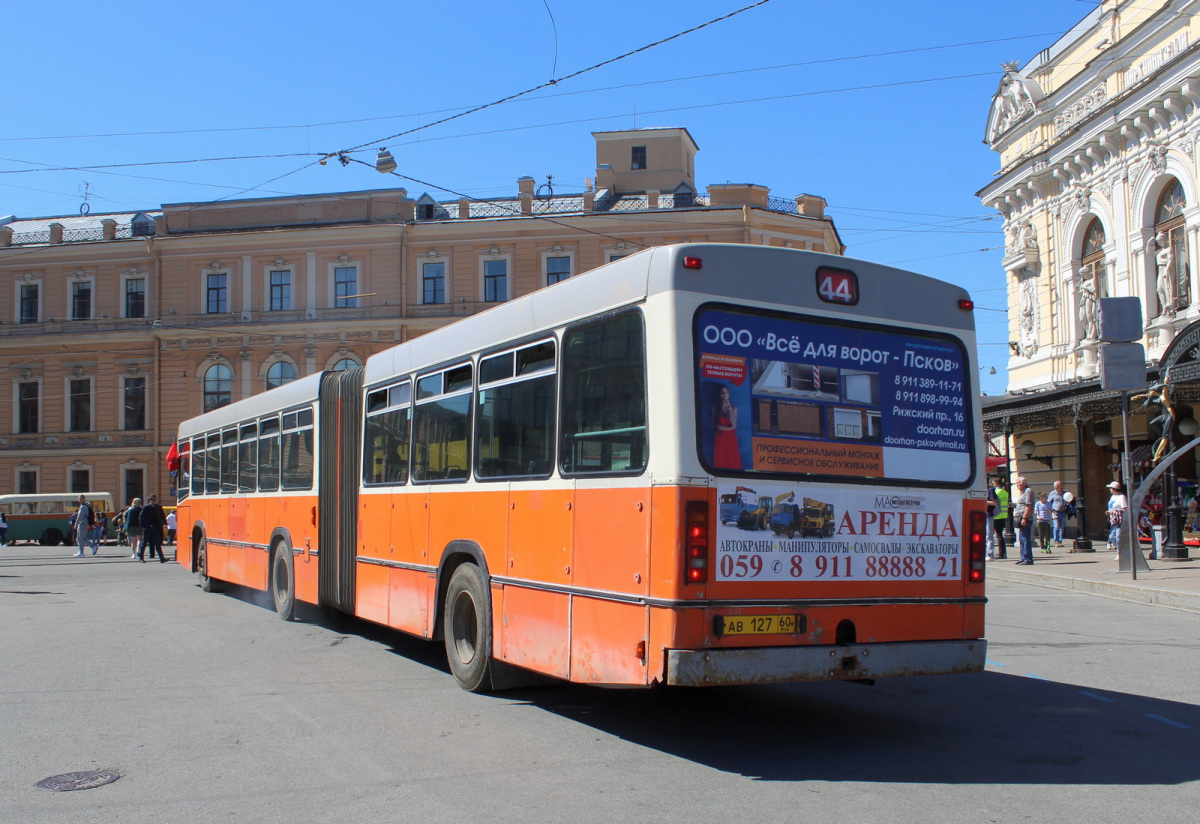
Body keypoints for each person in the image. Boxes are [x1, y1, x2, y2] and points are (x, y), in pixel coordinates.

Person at [711, 383, 741, 469]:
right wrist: (729, 428)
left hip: (731, 439)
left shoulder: (734, 408)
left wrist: (729, 407)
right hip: (720, 439)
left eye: (726, 392)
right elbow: (715, 425)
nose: (724, 395)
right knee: (720, 462)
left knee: (732, 461)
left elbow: (733, 421)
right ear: (719, 395)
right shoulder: (715, 408)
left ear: (729, 394)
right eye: (722, 393)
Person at [1012, 476, 1035, 565]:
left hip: (1025, 518)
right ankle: (1023, 557)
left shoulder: (1028, 491)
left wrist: (1025, 518)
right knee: (1021, 538)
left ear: (1024, 483)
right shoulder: (1022, 492)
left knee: (1025, 538)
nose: (1017, 485)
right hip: (1019, 518)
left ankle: (1028, 558)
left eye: (1018, 483)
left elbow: (1029, 505)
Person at [139, 495, 166, 563]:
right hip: (148, 527)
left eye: (154, 500)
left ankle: (162, 558)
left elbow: (162, 516)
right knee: (144, 543)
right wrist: (143, 526)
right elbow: (141, 518)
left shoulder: (158, 507)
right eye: (152, 500)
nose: (153, 501)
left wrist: (165, 523)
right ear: (149, 501)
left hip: (156, 527)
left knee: (157, 543)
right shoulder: (145, 508)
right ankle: (141, 557)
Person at [988, 476, 1009, 560]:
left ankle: (1001, 553)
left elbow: (995, 503)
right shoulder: (1005, 492)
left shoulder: (996, 491)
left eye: (993, 482)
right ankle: (1003, 552)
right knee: (1000, 534)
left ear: (996, 483)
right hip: (1004, 514)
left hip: (997, 515)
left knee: (998, 535)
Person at [1106, 481, 1128, 555]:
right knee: (1112, 536)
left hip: (1120, 519)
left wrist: (1115, 511)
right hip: (1113, 519)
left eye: (1111, 488)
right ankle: (1120, 549)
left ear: (1114, 489)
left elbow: (1125, 508)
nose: (1110, 490)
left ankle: (1120, 552)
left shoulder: (1122, 497)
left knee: (1118, 536)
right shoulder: (1113, 497)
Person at [1046, 479, 1068, 548]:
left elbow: (1068, 501)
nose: (1056, 487)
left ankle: (1060, 541)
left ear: (1061, 486)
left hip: (1063, 512)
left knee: (1061, 527)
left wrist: (1069, 503)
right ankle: (1056, 541)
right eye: (1055, 486)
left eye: (1057, 486)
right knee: (1056, 526)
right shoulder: (1052, 493)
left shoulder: (1065, 493)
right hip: (1055, 512)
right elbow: (1048, 503)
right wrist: (1052, 512)